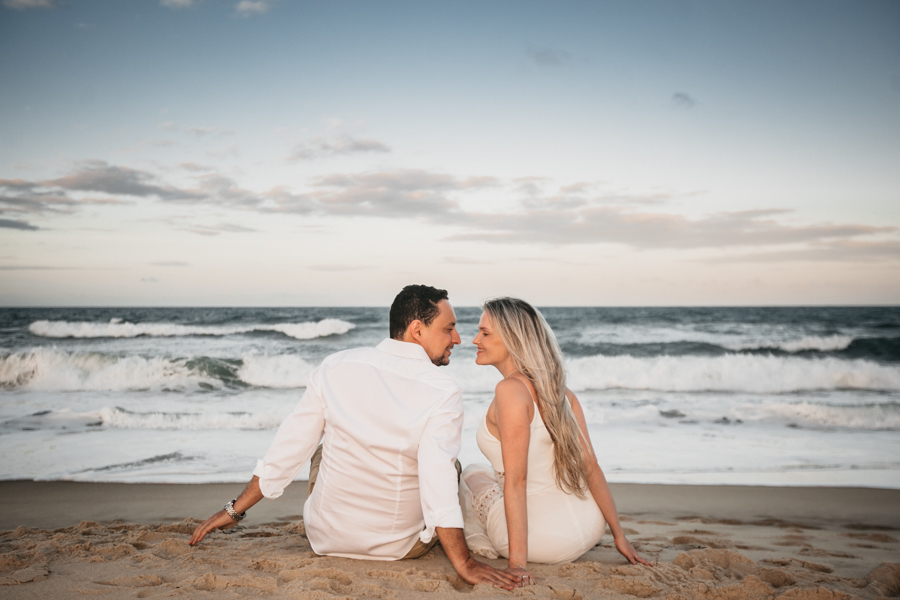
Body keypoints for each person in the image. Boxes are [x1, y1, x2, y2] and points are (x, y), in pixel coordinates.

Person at [190, 285, 520, 590]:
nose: (458, 339)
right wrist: (463, 562)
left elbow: (289, 448)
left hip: (326, 538)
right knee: (451, 465)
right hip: (399, 546)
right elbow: (437, 477)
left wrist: (233, 510)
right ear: (417, 329)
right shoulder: (443, 389)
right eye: (449, 329)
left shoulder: (335, 366)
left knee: (322, 450)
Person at [459, 297, 651, 585]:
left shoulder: (509, 390)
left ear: (512, 339)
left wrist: (517, 564)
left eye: (484, 333)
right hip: (590, 525)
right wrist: (619, 536)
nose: (476, 340)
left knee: (469, 475)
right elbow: (590, 465)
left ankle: (487, 544)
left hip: (545, 541)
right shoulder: (560, 393)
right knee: (486, 474)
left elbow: (517, 480)